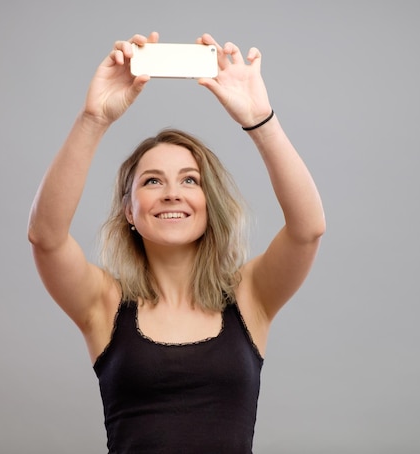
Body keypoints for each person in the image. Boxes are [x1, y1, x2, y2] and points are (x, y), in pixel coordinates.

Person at [28, 31, 325, 454]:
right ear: (129, 210)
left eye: (190, 180)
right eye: (152, 181)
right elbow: (46, 238)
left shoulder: (250, 295)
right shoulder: (104, 304)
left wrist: (261, 120)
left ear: (209, 203)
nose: (172, 193)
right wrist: (94, 118)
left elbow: (308, 229)